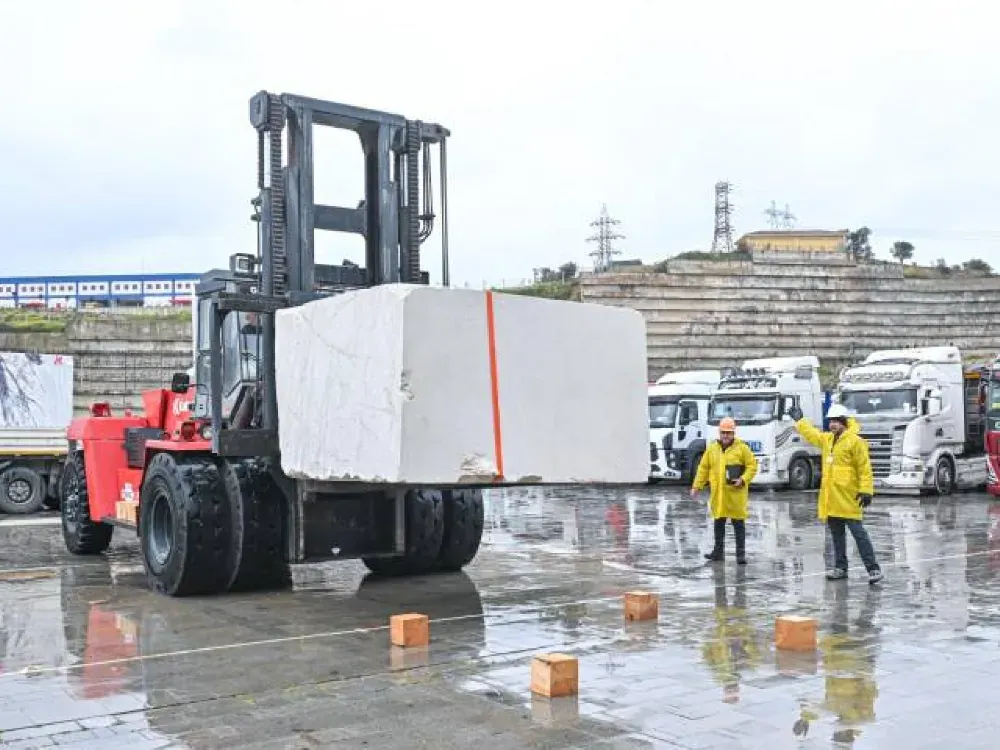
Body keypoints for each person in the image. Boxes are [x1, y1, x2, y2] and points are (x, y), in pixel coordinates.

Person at [788, 403, 884, 584]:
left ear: (844, 422)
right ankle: (840, 568)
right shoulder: (827, 440)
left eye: (836, 421)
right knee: (837, 536)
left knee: (859, 535)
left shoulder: (855, 441)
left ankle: (873, 569)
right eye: (831, 421)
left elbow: (864, 468)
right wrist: (800, 421)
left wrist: (866, 490)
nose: (832, 425)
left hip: (849, 498)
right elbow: (812, 434)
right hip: (832, 499)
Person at [690, 417, 758, 564]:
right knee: (718, 523)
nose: (726, 435)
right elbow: (703, 468)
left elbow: (752, 466)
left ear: (734, 433)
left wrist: (743, 479)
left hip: (736, 495)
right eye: (723, 432)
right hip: (719, 495)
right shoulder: (712, 448)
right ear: (719, 433)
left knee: (738, 524)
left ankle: (740, 554)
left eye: (729, 432)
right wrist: (696, 486)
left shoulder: (742, 448)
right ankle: (718, 552)